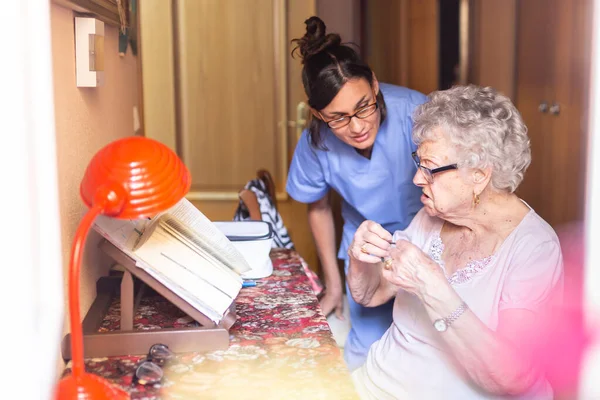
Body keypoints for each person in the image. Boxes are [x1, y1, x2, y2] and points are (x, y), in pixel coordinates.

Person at [348, 85, 564, 399]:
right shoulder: (430, 216)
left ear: (478, 174)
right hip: (376, 385)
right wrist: (359, 258)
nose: (417, 179)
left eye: (430, 168)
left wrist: (433, 287)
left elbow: (512, 376)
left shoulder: (535, 248)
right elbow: (370, 293)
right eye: (418, 163)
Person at [286, 16, 427, 371]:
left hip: (428, 241)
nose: (359, 125)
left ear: (375, 85)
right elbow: (317, 207)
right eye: (339, 117)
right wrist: (334, 285)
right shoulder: (316, 143)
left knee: (428, 352)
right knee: (364, 355)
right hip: (366, 252)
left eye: (364, 106)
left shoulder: (417, 113)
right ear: (318, 114)